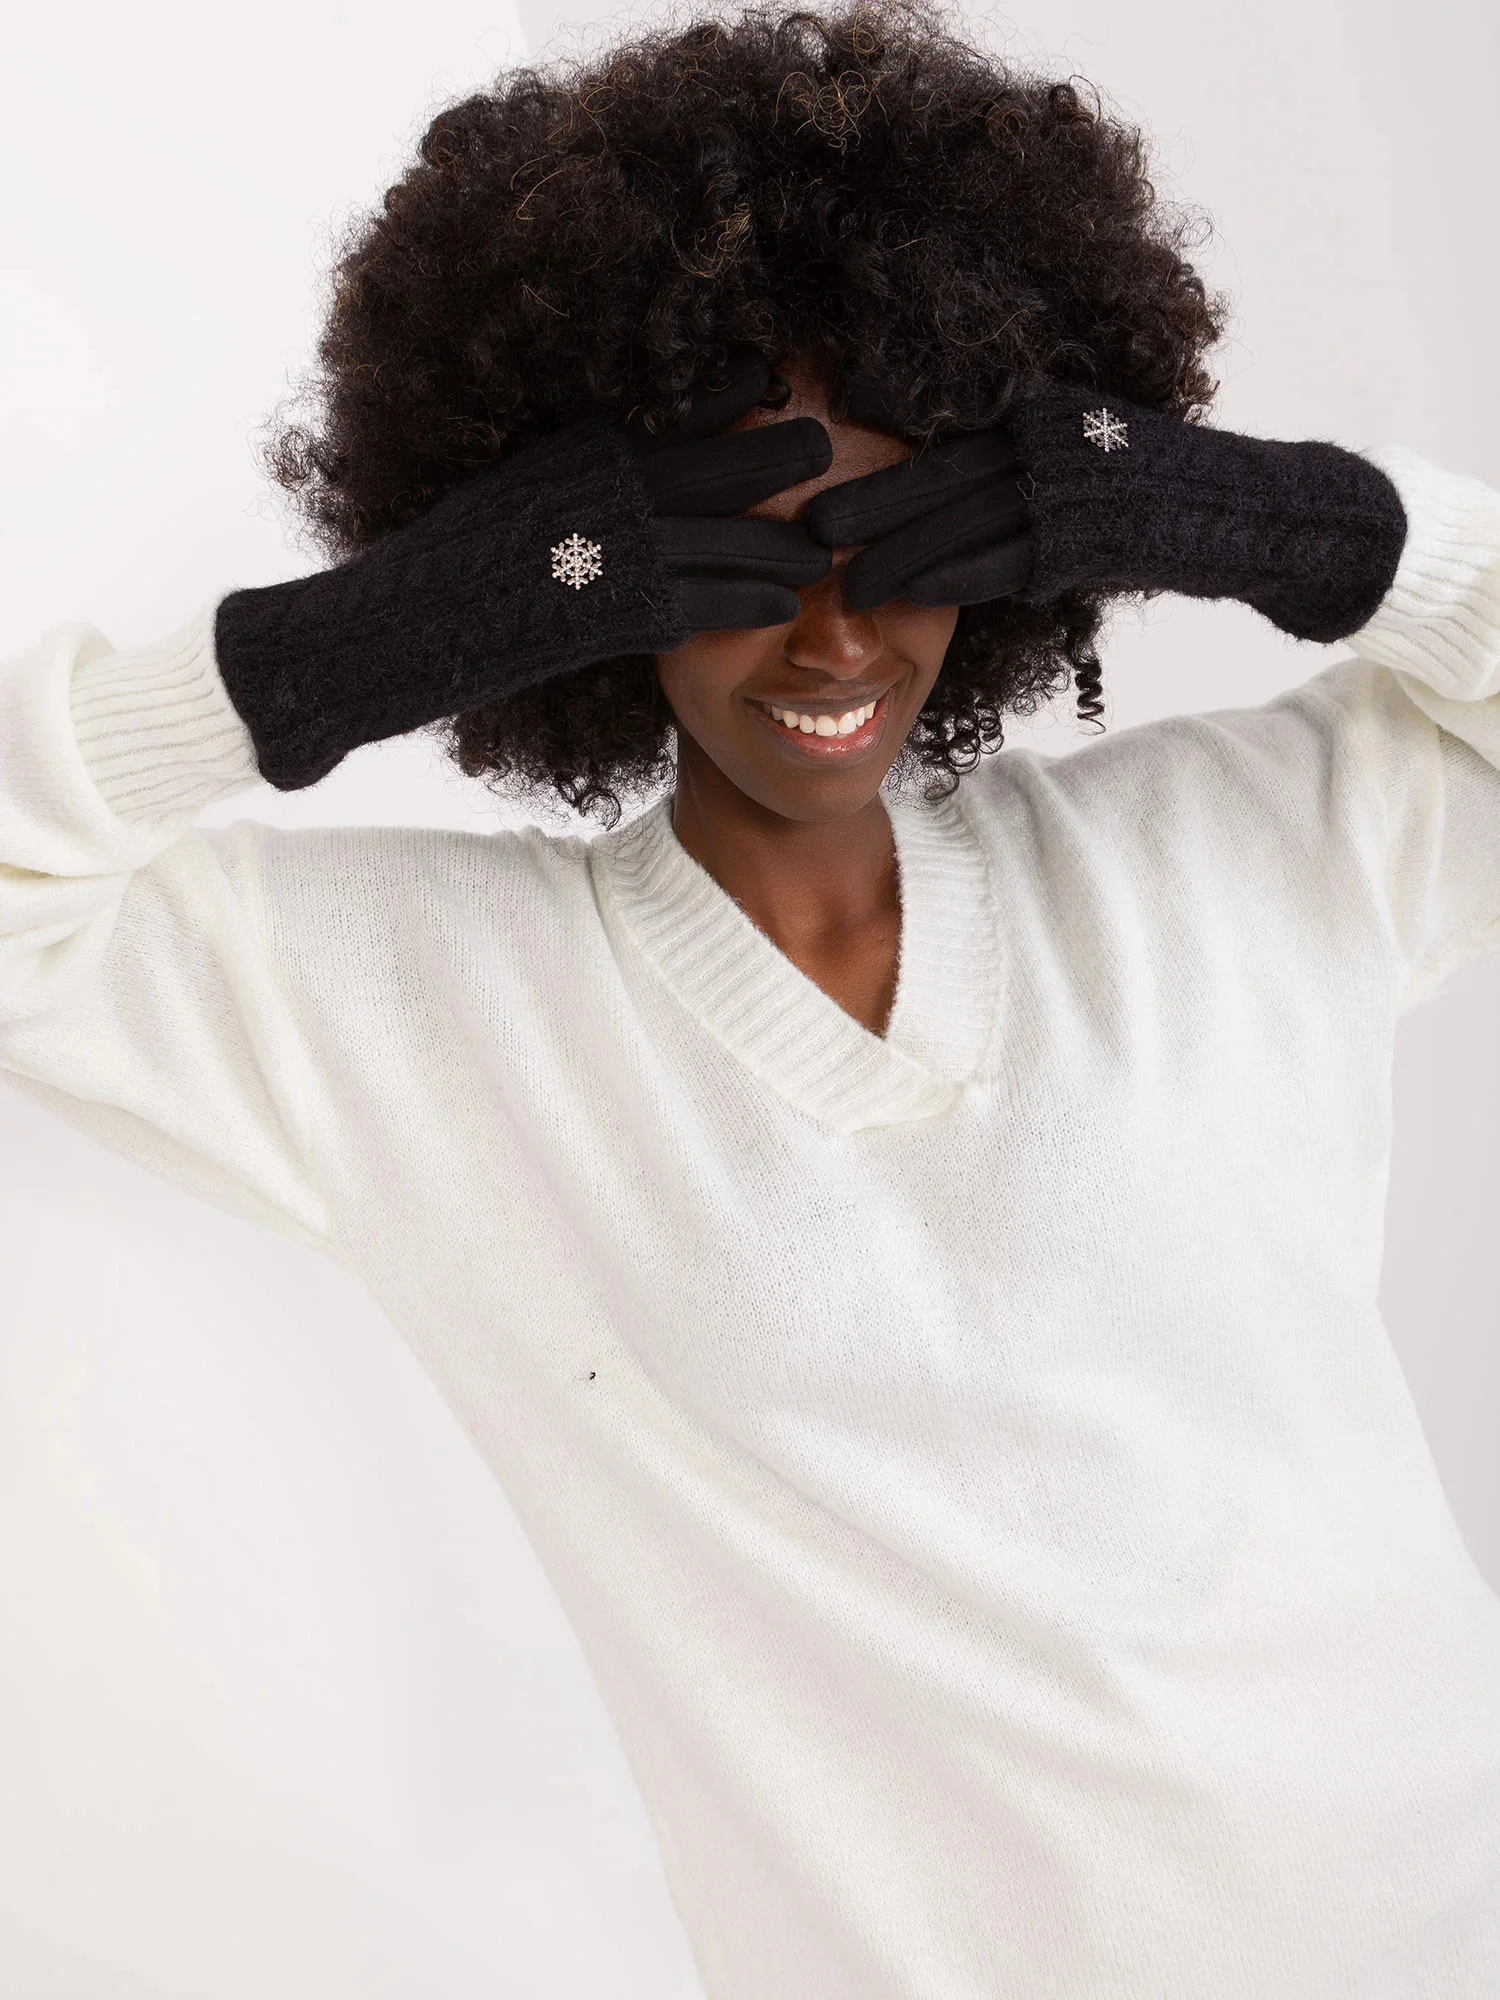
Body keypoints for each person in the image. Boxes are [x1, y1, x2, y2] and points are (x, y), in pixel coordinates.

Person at [3, 1, 1498, 1991]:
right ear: (592, 580)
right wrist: (373, 640)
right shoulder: (431, 1014)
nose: (830, 633)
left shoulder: (1238, 852)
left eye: (899, 534)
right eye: (734, 555)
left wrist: (1268, 519)